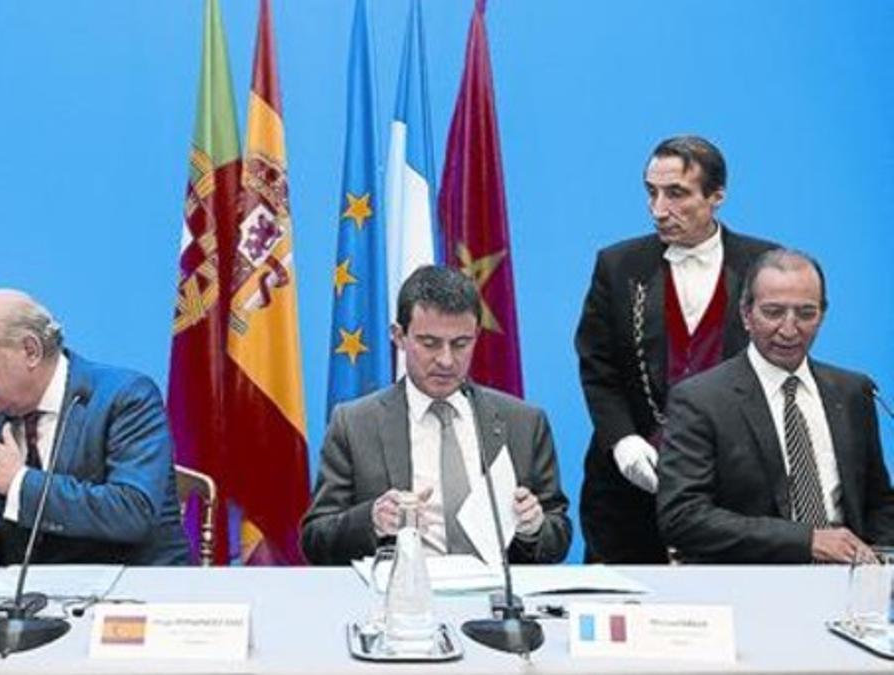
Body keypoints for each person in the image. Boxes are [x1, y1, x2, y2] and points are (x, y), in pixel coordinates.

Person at [575, 135, 777, 563]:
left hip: (731, 496)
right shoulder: (618, 265)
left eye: (676, 194)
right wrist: (623, 440)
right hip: (626, 496)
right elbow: (598, 366)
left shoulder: (766, 266)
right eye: (651, 192)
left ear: (717, 196)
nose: (658, 210)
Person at [301, 265, 570, 565]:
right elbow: (315, 540)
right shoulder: (354, 424)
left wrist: (533, 527)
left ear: (476, 336)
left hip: (495, 600)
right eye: (429, 344)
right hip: (399, 598)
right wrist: (372, 521)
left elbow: (557, 537)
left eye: (460, 344)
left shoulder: (523, 422)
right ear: (399, 336)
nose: (445, 360)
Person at [657, 250, 894, 563]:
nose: (789, 329)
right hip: (749, 585)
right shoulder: (701, 399)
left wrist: (879, 565)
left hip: (848, 586)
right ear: (746, 314)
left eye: (806, 314)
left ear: (823, 315)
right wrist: (805, 541)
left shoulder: (853, 392)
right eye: (773, 312)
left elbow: (879, 504)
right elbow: (683, 517)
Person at [0, 289, 188, 566]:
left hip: (136, 591)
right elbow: (10, 537)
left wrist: (18, 481)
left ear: (30, 351)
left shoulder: (125, 398)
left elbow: (132, 512)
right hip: (45, 599)